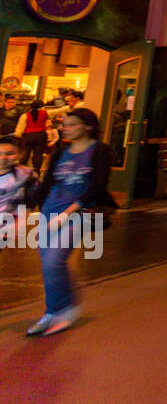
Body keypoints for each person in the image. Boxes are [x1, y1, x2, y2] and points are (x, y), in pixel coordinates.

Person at [27, 108, 115, 337]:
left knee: (53, 262)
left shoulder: (100, 151)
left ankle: (65, 310)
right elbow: (47, 183)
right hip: (50, 211)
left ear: (88, 126)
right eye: (65, 124)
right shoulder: (60, 152)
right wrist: (29, 207)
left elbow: (97, 185)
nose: (66, 128)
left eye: (72, 124)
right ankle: (51, 312)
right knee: (48, 264)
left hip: (79, 213)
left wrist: (67, 213)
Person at [0, 133, 37, 216]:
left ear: (20, 154)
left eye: (10, 154)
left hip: (10, 224)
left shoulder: (26, 175)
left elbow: (31, 202)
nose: (3, 158)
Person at [16, 99, 50, 172]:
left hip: (27, 136)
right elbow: (58, 111)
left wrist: (18, 136)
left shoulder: (25, 115)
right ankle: (36, 171)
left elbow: (20, 128)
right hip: (40, 136)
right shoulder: (45, 113)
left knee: (25, 155)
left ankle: (22, 171)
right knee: (38, 155)